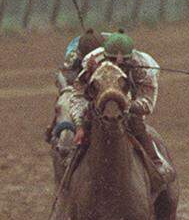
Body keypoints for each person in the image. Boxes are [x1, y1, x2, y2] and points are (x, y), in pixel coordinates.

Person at [68, 32, 172, 184]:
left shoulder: (145, 69)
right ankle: (69, 174)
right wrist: (79, 125)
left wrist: (124, 104)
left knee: (135, 123)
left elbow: (147, 104)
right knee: (86, 125)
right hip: (100, 103)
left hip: (130, 101)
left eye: (122, 62)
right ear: (104, 55)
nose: (115, 64)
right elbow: (77, 96)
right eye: (110, 59)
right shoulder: (92, 61)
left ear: (129, 58)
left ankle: (156, 163)